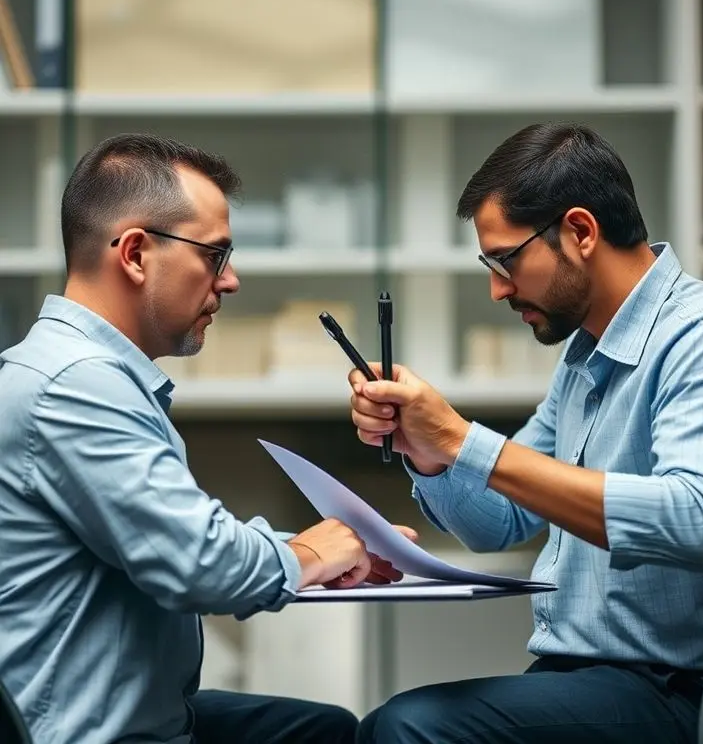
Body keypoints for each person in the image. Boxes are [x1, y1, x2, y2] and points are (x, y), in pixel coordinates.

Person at [349, 122, 703, 743]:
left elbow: (694, 520)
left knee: (410, 728)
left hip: (684, 692)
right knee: (379, 724)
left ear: (579, 231)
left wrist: (465, 441)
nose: (498, 289)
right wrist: (431, 453)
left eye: (506, 260)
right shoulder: (584, 355)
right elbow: (499, 523)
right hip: (585, 678)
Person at [0, 133, 416, 744]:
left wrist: (317, 550)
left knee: (320, 730)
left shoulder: (77, 373)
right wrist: (310, 555)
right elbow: (201, 565)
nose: (231, 281)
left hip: (126, 709)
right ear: (136, 254)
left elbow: (180, 536)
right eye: (214, 255)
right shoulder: (75, 386)